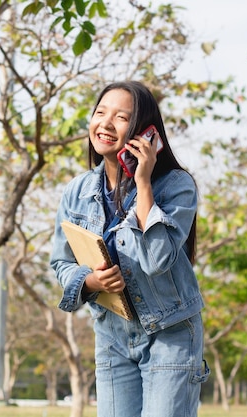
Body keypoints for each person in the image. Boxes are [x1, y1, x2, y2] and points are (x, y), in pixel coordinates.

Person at [50, 80, 209, 417]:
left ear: (145, 133)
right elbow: (61, 262)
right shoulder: (76, 191)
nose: (105, 124)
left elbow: (156, 260)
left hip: (170, 334)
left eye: (121, 117)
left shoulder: (177, 186)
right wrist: (91, 282)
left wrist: (143, 183)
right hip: (111, 335)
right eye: (100, 113)